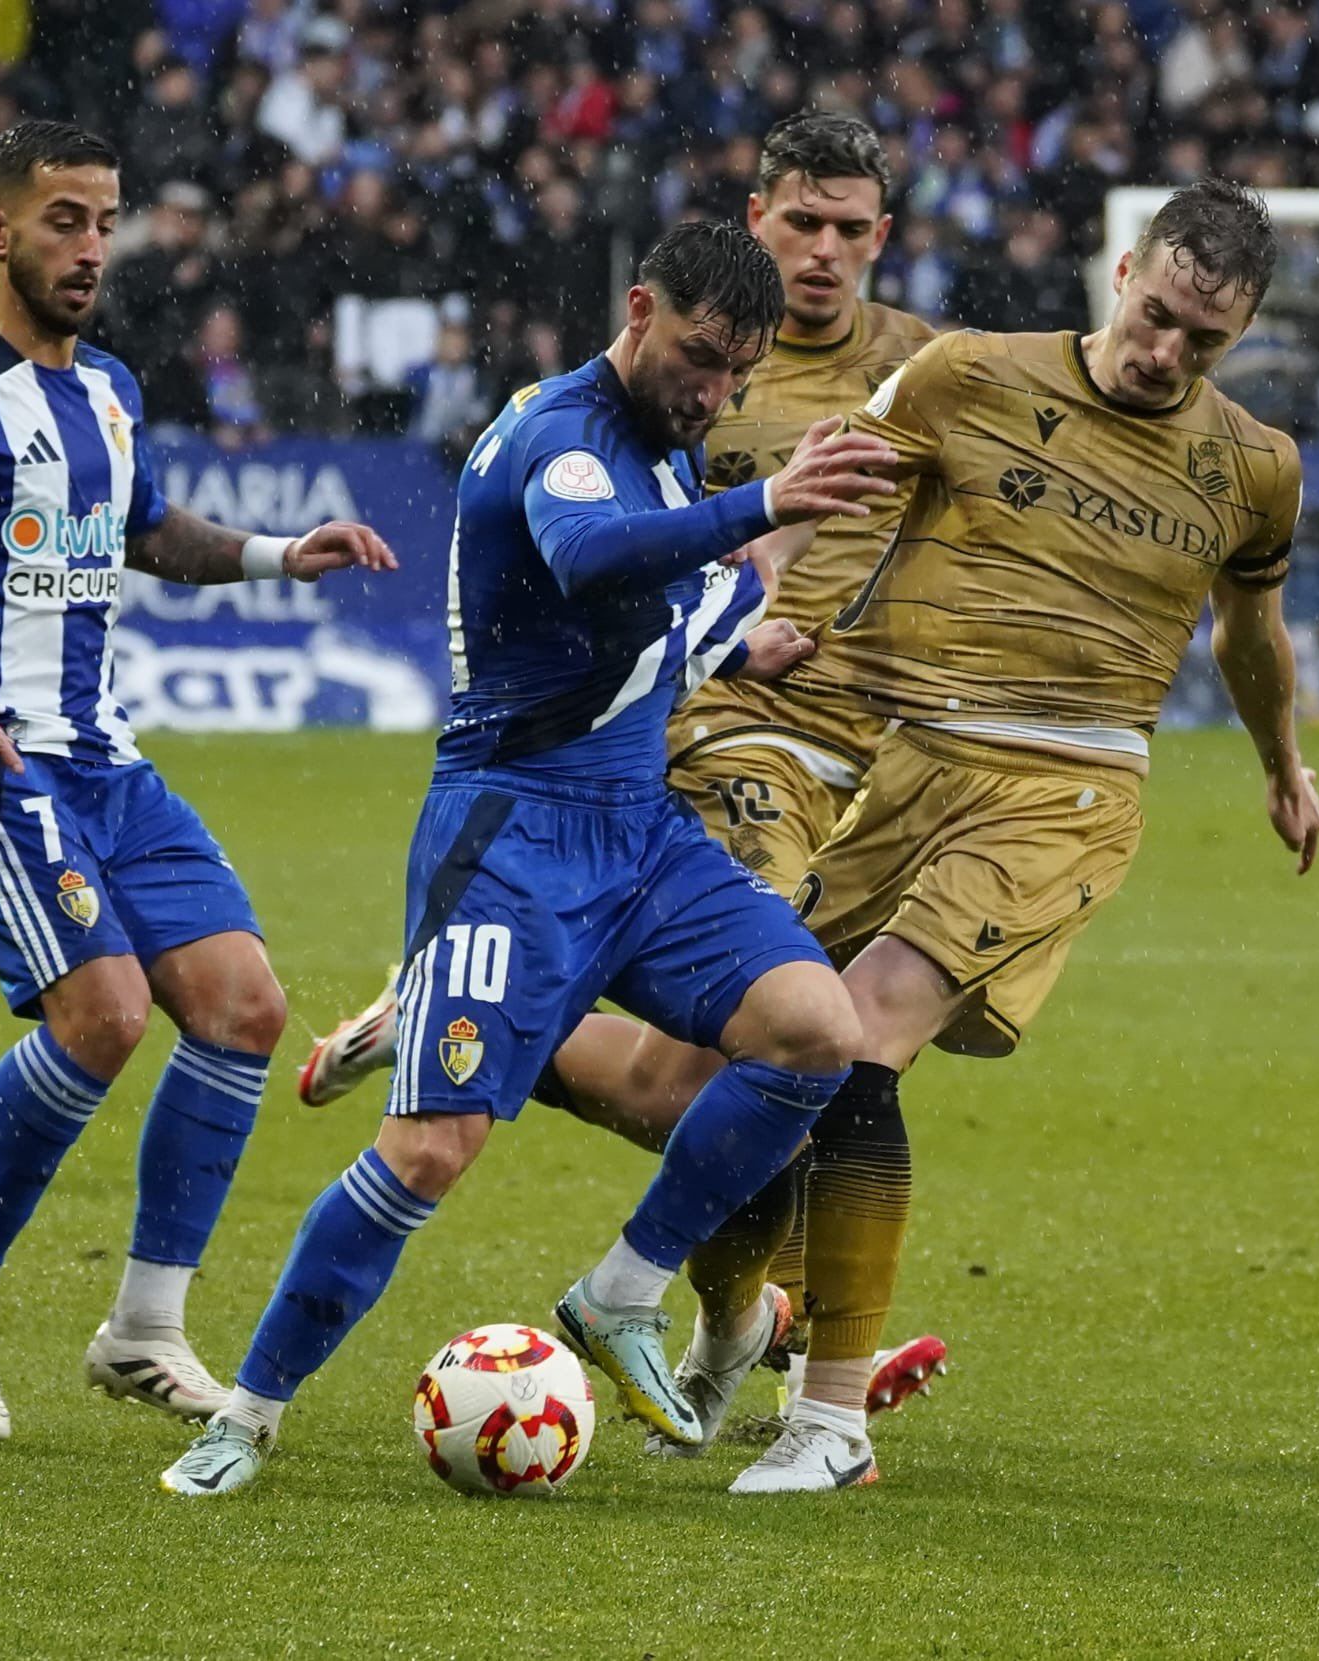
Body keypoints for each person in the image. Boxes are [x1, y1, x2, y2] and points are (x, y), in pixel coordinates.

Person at [157, 218, 900, 1498]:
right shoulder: (560, 437)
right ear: (636, 309)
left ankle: (621, 1287)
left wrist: (737, 637)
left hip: (640, 833)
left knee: (813, 1030)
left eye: (736, 374)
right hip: (511, 835)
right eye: (697, 357)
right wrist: (769, 500)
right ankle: (244, 1410)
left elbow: (653, 611)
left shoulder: (668, 455)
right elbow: (588, 556)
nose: (711, 392)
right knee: (432, 1149)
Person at [300, 112, 949, 1442]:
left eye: (849, 231)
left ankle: (475, 1029)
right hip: (697, 750)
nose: (821, 254)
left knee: (744, 1078)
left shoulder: (924, 374)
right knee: (780, 1044)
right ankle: (738, 1329)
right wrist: (737, 580)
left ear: (882, 240)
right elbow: (600, 552)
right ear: (752, 220)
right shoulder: (672, 374)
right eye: (798, 224)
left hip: (846, 747)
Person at [715, 176, 1319, 1492]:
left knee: (864, 1033)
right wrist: (741, 629)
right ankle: (743, 1320)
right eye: (1159, 316)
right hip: (916, 756)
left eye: (1205, 342)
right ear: (1121, 275)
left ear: (1243, 333)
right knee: (769, 1039)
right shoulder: (967, 375)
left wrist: (1284, 764)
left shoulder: (1256, 466)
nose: (1168, 355)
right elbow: (831, 490)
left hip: (1069, 789)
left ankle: (828, 1425)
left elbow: (1249, 632)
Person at [0, 120, 394, 1445]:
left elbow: (152, 538)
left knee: (243, 1005)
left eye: (107, 220)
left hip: (110, 766)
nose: (91, 246)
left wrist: (277, 554)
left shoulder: (112, 391)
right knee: (107, 1014)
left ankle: (143, 1327)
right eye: (65, 219)